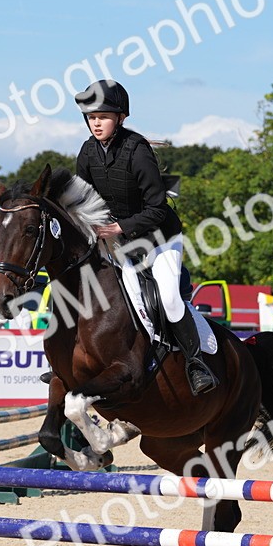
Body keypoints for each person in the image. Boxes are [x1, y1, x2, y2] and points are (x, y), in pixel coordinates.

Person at [74, 79, 216, 395]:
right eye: (91, 117)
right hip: (121, 244)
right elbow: (82, 200)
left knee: (166, 296)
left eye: (103, 116)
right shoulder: (87, 152)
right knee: (109, 299)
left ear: (120, 117)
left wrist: (119, 227)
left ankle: (196, 364)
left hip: (160, 238)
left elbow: (157, 207)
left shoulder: (137, 151)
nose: (96, 123)